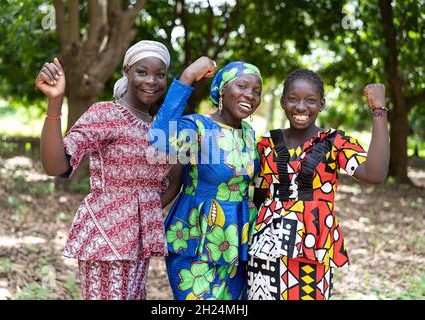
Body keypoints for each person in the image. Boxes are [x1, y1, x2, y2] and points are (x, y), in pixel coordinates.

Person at [36, 40, 182, 300]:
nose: (151, 81)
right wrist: (55, 102)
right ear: (127, 71)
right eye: (142, 71)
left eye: (160, 75)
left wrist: (143, 212)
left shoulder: (159, 127)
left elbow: (171, 181)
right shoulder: (106, 114)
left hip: (139, 243)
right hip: (105, 242)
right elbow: (56, 165)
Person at [247, 69, 389, 300]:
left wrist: (379, 110)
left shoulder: (335, 143)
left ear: (321, 104)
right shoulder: (266, 144)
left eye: (310, 100)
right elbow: (260, 194)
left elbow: (375, 174)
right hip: (266, 249)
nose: (301, 107)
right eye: (293, 99)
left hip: (313, 251)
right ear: (283, 102)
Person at [149, 57, 263, 300]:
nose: (250, 95)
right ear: (222, 90)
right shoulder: (197, 127)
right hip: (195, 237)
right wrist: (188, 76)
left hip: (237, 239)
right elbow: (158, 139)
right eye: (241, 86)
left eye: (257, 91)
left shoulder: (250, 135)